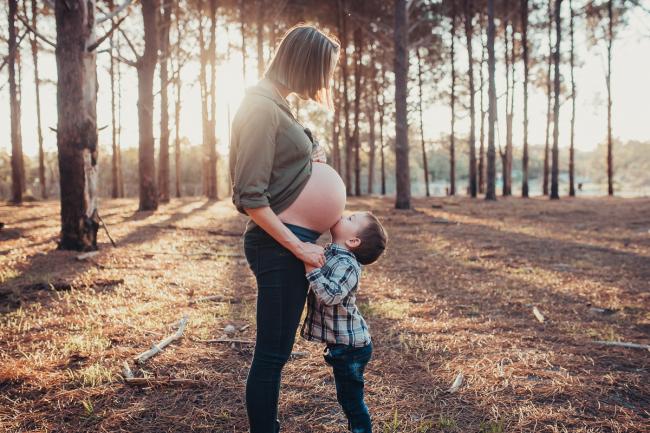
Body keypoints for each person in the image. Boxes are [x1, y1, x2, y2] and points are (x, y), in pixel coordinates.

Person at [229, 24, 341, 433]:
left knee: (277, 351)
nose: (325, 80)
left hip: (290, 245)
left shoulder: (275, 103)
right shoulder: (260, 106)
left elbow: (279, 173)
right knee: (272, 355)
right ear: (306, 63)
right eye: (324, 69)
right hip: (278, 247)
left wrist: (311, 155)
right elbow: (251, 197)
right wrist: (300, 248)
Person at [301, 211, 388, 433]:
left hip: (351, 348)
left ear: (353, 241)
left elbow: (330, 296)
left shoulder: (347, 264)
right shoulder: (333, 253)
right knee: (348, 398)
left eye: (350, 219)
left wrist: (311, 269)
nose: (343, 215)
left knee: (351, 402)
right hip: (344, 345)